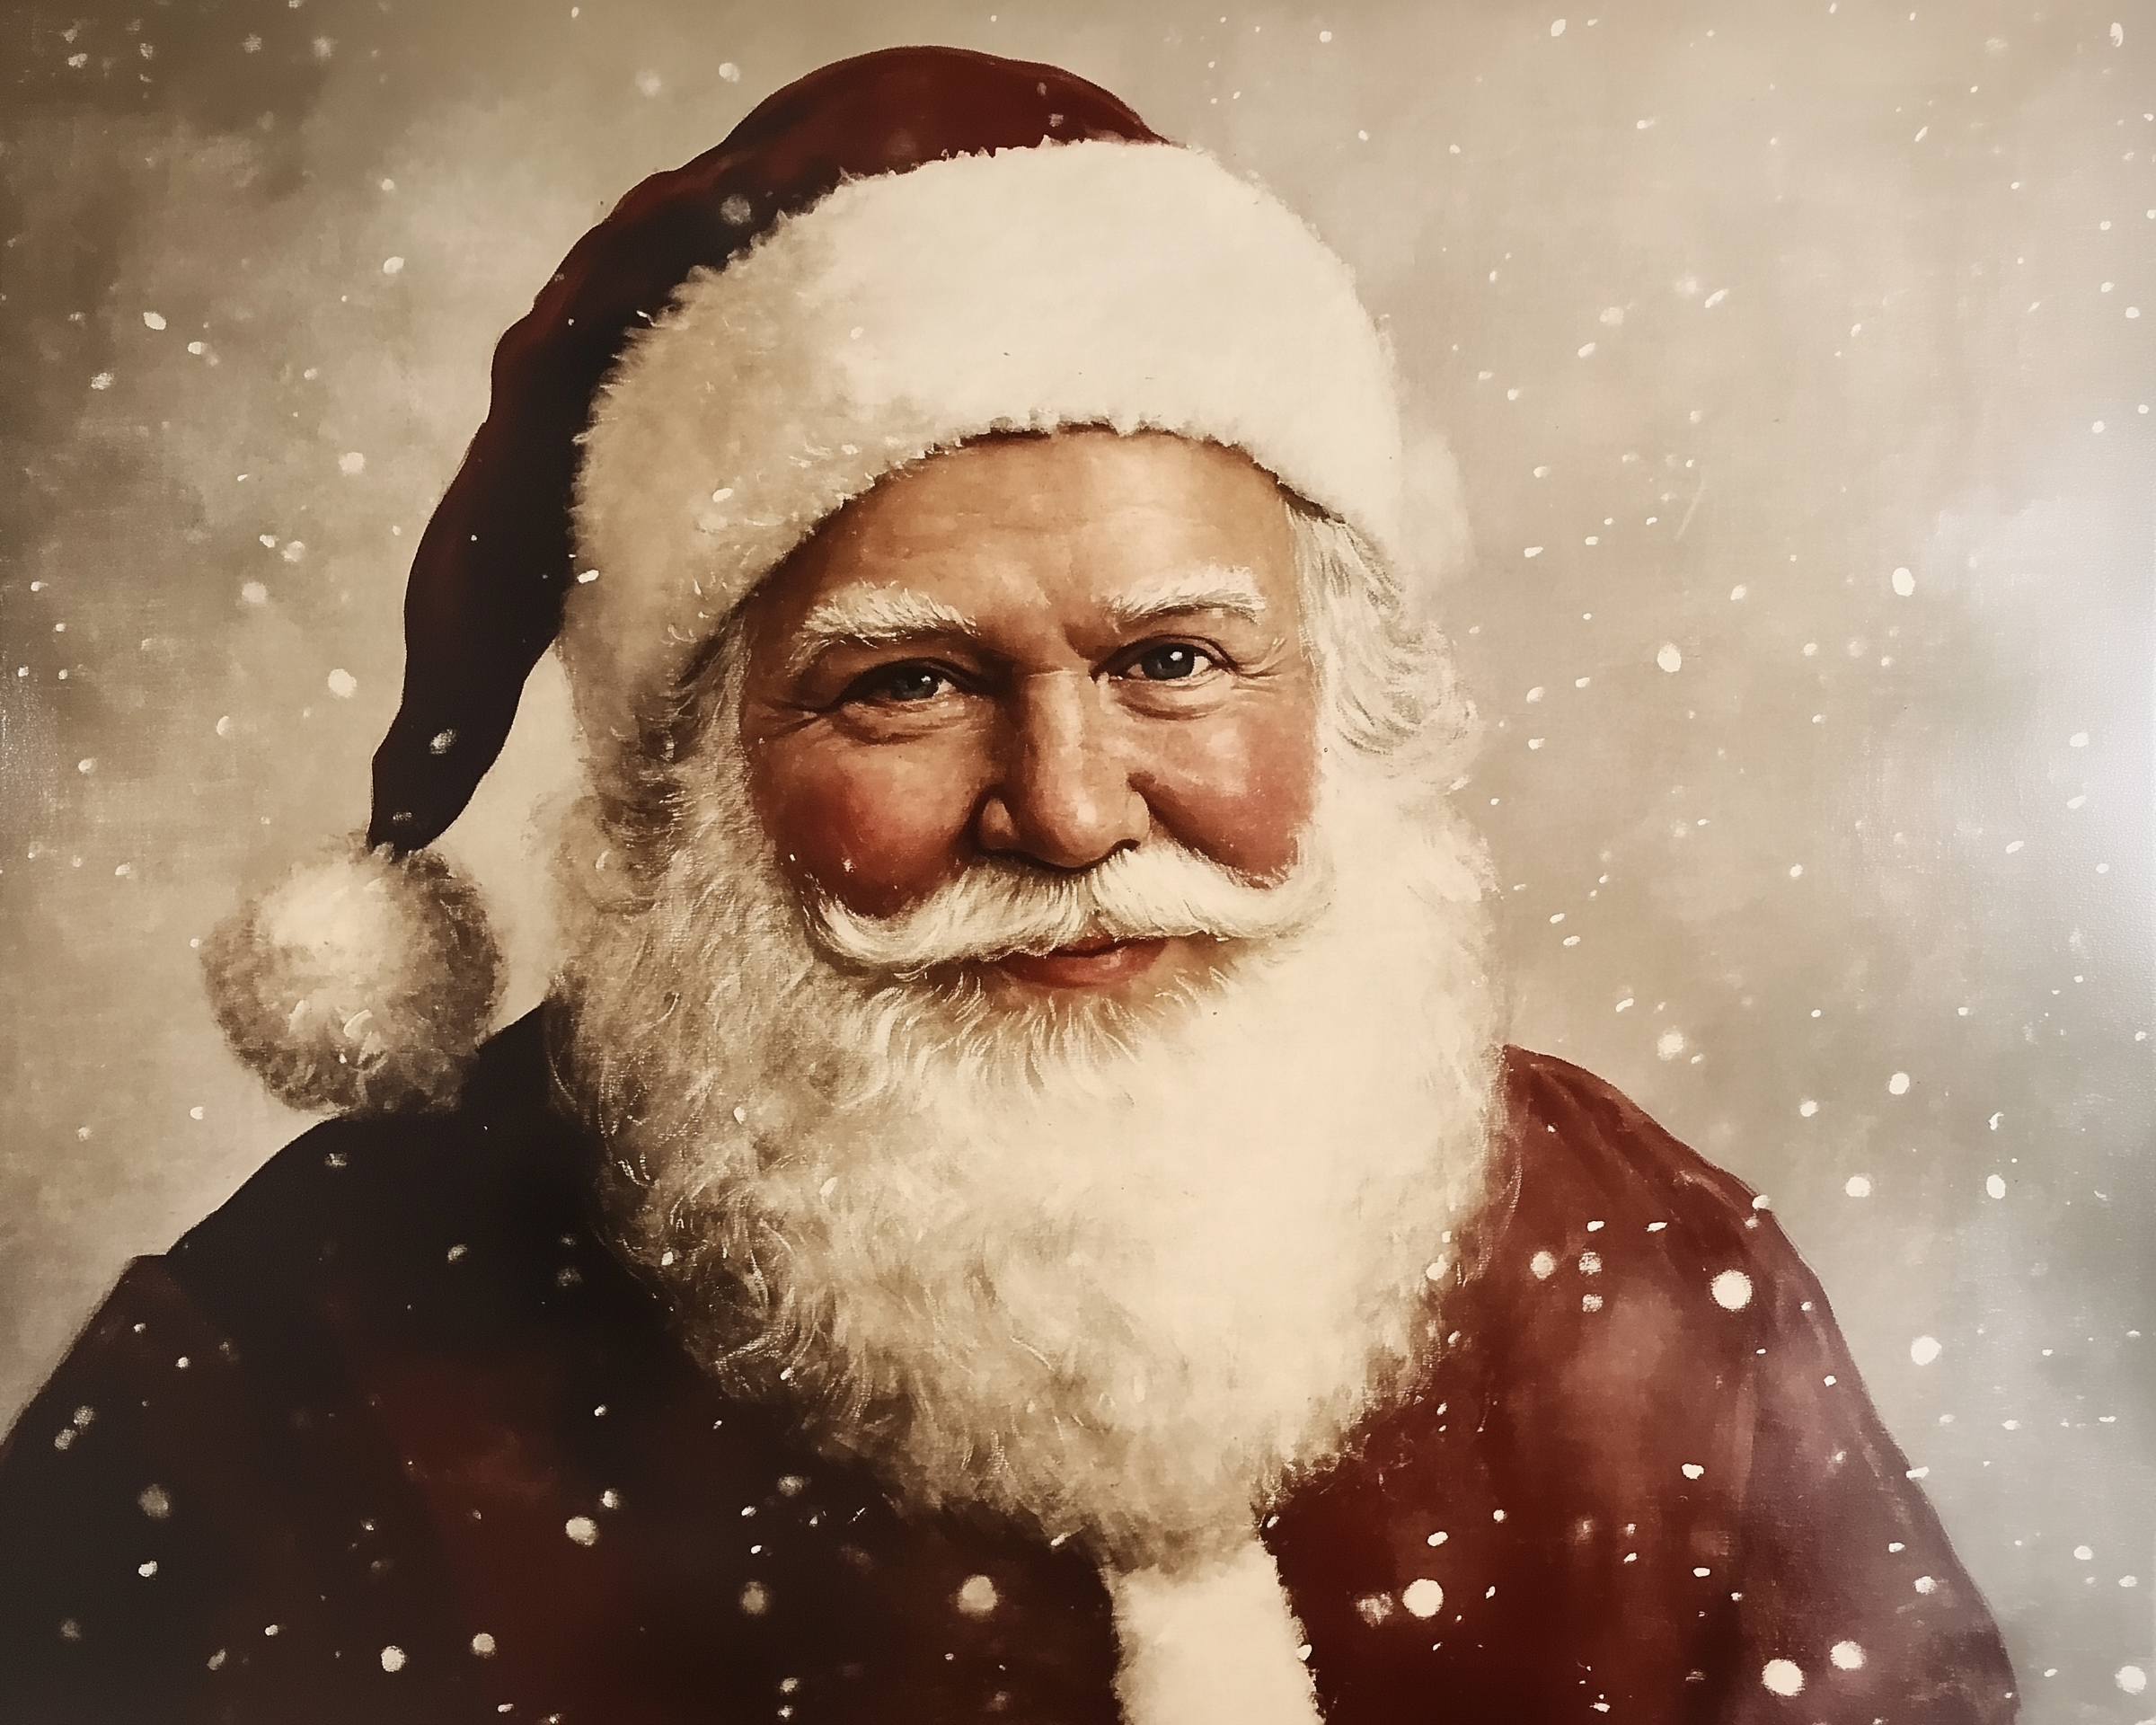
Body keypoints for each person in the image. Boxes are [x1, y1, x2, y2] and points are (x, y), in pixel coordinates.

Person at [0, 45, 2015, 1725]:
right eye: (909, 684)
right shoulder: (296, 1384)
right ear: (684, 776)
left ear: (1345, 699)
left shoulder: (1638, 1253)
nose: (1065, 811)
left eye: (1172, 662)